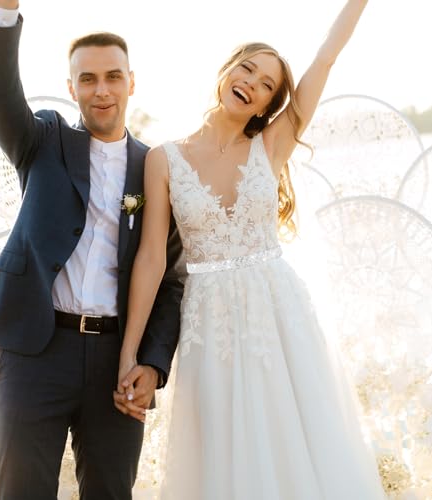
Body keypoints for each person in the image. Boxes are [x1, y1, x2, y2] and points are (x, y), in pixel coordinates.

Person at [113, 0, 389, 498]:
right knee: (225, 452)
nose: (252, 84)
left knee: (293, 439)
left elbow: (326, 57)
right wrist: (129, 353)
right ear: (226, 71)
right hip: (209, 322)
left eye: (266, 85)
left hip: (277, 314)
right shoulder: (163, 159)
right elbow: (152, 259)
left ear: (267, 106)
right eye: (247, 69)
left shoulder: (273, 144)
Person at [0, 2, 183, 499]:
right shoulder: (43, 141)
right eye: (88, 79)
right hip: (37, 352)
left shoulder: (155, 168)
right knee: (21, 490)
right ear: (71, 88)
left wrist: (151, 365)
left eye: (113, 77)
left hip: (118, 360)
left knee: (111, 491)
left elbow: (170, 280)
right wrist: (4, 11)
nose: (101, 90)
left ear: (132, 82)